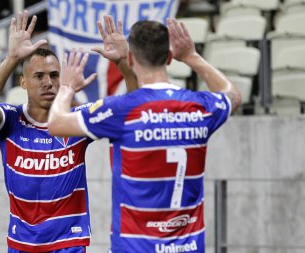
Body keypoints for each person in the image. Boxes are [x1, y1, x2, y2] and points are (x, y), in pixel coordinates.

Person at [47, 18, 242, 252]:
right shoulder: (199, 107)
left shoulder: (121, 110)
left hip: (134, 246)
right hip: (189, 247)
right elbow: (233, 95)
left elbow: (56, 123)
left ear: (131, 58)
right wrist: (191, 56)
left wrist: (67, 87)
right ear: (169, 58)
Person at [0, 11, 136, 253]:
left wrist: (123, 63)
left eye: (54, 75)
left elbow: (135, 105)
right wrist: (11, 58)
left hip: (68, 243)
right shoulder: (11, 119)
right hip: (22, 243)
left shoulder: (75, 119)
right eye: (39, 76)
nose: (48, 82)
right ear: (24, 82)